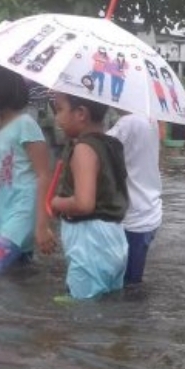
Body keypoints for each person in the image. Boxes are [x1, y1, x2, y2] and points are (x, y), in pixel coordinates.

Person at [0, 62, 55, 272]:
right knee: (16, 275)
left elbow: (44, 174)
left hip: (23, 212)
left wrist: (42, 224)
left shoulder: (25, 124)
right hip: (5, 213)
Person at [49, 93, 130, 299]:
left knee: (84, 312)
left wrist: (56, 202)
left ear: (81, 114)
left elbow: (84, 203)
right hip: (115, 237)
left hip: (89, 242)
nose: (56, 118)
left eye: (59, 109)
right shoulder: (111, 144)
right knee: (108, 303)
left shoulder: (84, 149)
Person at [107, 111, 162, 286]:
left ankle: (132, 312)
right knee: (132, 280)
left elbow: (100, 147)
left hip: (135, 215)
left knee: (127, 283)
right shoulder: (151, 119)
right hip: (149, 209)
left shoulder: (127, 123)